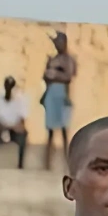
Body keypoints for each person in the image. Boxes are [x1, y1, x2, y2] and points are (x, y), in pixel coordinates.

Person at [40, 32, 76, 172]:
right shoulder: (53, 59)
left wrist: (54, 73)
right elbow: (45, 76)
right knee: (50, 131)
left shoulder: (68, 60)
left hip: (62, 95)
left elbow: (68, 77)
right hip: (51, 94)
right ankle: (46, 164)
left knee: (64, 130)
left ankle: (68, 164)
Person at [0, 76, 28, 168]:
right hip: (0, 126)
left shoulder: (20, 98)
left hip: (14, 127)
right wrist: (3, 126)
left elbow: (23, 117)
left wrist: (17, 126)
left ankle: (20, 164)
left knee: (23, 133)